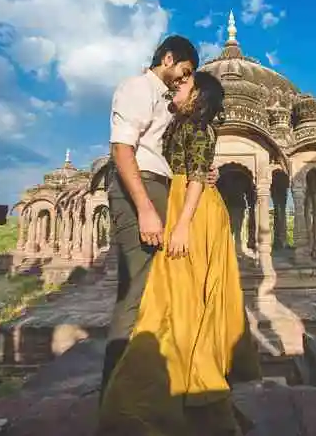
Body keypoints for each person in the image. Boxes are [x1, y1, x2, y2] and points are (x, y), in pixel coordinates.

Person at [97, 71, 261, 435]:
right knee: (175, 298)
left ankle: (193, 393)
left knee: (184, 299)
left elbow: (198, 176)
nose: (177, 86)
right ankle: (185, 398)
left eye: (185, 84)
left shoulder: (201, 128)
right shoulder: (178, 122)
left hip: (195, 213)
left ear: (198, 95)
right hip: (186, 205)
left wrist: (183, 224)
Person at [98, 36, 220, 402]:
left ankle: (146, 385)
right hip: (141, 189)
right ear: (168, 58)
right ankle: (116, 396)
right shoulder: (137, 88)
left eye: (189, 80)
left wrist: (203, 172)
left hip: (160, 188)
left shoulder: (167, 103)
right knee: (137, 292)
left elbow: (179, 152)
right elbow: (122, 148)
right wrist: (146, 209)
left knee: (158, 291)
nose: (184, 80)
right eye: (183, 72)